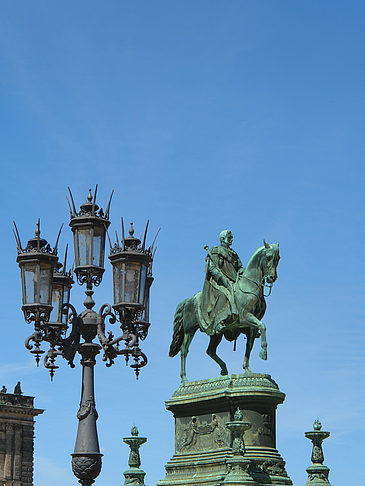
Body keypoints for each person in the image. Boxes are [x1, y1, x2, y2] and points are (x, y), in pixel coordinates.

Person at [200, 230, 243, 334]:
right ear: (223, 239)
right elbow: (212, 268)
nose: (232, 240)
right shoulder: (216, 251)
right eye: (230, 237)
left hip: (234, 281)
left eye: (232, 237)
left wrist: (241, 271)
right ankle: (219, 322)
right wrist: (222, 278)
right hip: (218, 282)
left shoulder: (234, 254)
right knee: (223, 295)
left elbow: (240, 267)